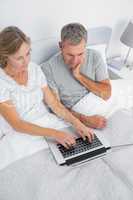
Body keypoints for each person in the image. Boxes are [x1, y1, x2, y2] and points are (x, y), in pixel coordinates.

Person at [0, 26, 94, 149]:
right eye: (19, 58)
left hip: (47, 123)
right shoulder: (2, 82)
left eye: (28, 53)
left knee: (84, 148)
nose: (26, 61)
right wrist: (55, 134)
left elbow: (54, 104)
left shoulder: (34, 69)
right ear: (5, 57)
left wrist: (78, 124)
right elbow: (17, 124)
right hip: (20, 133)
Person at [41, 23, 112, 129]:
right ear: (61, 46)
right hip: (79, 115)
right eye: (70, 55)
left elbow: (106, 94)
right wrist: (85, 120)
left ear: (85, 46)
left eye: (80, 54)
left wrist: (79, 76)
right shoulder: (48, 68)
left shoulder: (95, 57)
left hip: (106, 108)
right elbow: (56, 107)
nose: (75, 61)